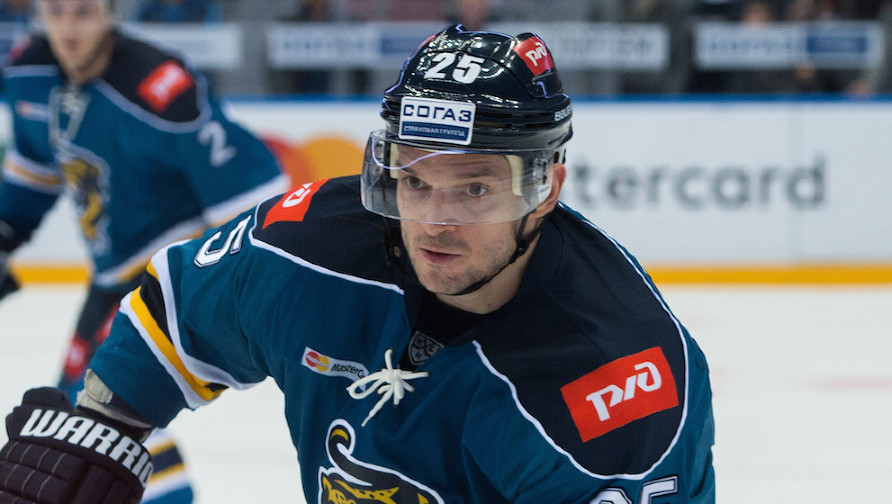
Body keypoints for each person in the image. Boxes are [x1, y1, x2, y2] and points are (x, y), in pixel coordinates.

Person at [0, 24, 715, 503]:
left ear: (546, 188)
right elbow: (179, 311)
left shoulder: (615, 380)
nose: (435, 222)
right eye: (415, 181)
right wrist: (101, 426)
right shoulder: (307, 249)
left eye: (474, 189)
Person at [0, 0, 287, 502]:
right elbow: (35, 168)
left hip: (172, 274)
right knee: (78, 421)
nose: (68, 27)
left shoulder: (158, 87)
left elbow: (255, 193)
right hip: (111, 278)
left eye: (84, 11)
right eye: (56, 11)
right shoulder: (29, 73)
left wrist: (230, 286)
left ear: (110, 14)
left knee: (101, 420)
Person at [135, 0, 222, 23]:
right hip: (155, 60)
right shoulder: (147, 6)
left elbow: (214, 35)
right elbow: (136, 33)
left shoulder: (204, 6)